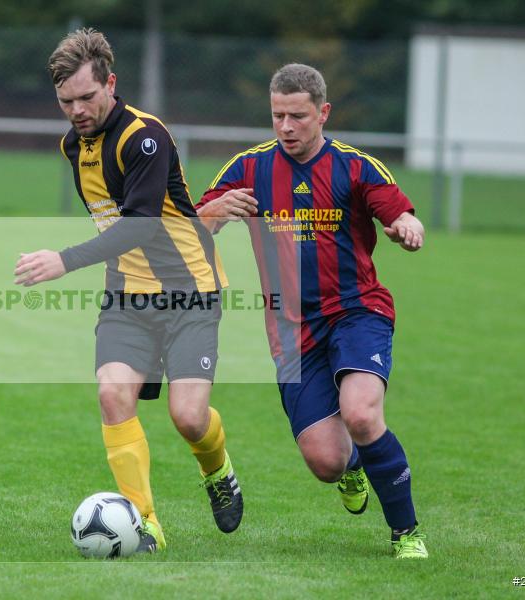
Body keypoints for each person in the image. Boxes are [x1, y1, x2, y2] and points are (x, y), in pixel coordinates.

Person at [14, 28, 243, 552]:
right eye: (65, 101)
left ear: (111, 83)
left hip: (189, 290)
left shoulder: (146, 137)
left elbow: (139, 225)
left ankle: (218, 469)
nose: (76, 110)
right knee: (112, 394)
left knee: (189, 418)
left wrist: (63, 261)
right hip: (127, 296)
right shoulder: (72, 144)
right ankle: (145, 525)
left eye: (86, 97)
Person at [197, 63, 428, 559]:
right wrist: (212, 215)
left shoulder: (355, 166)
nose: (285, 127)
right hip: (291, 330)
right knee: (326, 461)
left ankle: (406, 533)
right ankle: (351, 469)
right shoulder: (251, 167)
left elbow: (400, 212)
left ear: (323, 113)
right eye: (277, 115)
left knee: (362, 415)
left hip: (356, 311)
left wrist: (406, 227)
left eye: (297, 116)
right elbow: (189, 228)